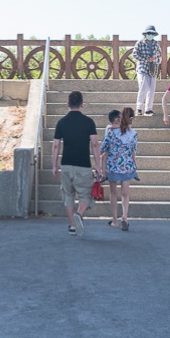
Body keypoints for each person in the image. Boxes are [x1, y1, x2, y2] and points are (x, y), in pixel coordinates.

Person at [51, 90, 102, 237]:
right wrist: (98, 165)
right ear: (82, 104)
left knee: (68, 195)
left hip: (66, 164)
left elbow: (56, 145)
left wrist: (54, 165)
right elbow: (95, 144)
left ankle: (73, 226)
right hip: (83, 165)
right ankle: (79, 214)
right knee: (86, 196)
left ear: (67, 104)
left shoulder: (61, 122)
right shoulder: (89, 122)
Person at [99, 107, 137, 231]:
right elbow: (133, 152)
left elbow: (103, 148)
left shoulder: (110, 132)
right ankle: (125, 217)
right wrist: (134, 166)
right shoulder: (133, 134)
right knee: (125, 194)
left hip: (112, 165)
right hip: (127, 165)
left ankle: (115, 220)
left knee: (113, 193)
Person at [132, 25, 162, 115]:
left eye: (152, 33)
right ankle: (139, 108)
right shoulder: (140, 43)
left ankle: (148, 109)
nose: (150, 35)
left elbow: (159, 56)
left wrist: (154, 60)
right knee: (143, 86)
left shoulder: (156, 44)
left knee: (151, 89)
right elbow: (134, 55)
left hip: (153, 69)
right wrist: (146, 59)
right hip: (142, 68)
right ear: (145, 34)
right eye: (149, 33)